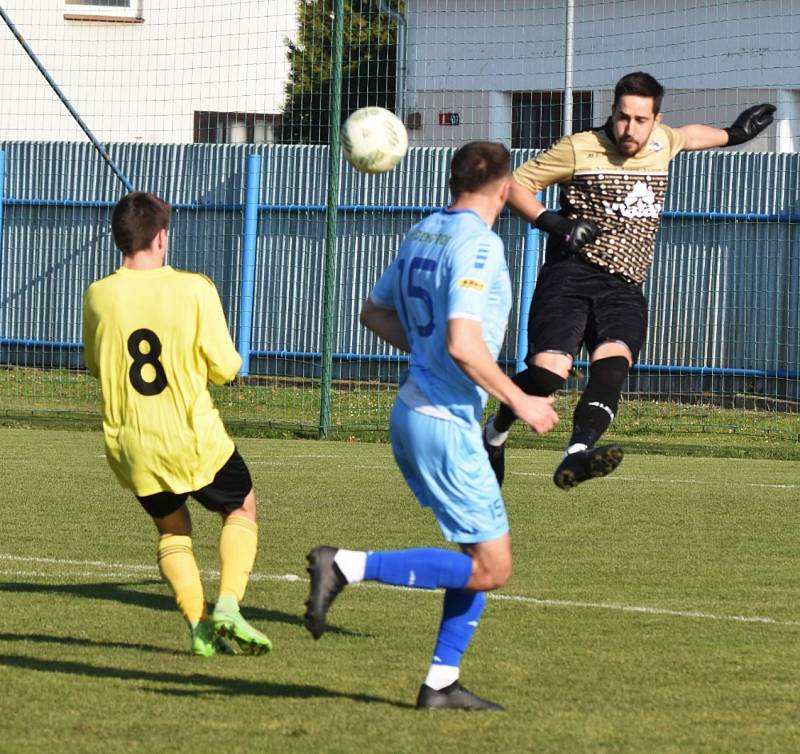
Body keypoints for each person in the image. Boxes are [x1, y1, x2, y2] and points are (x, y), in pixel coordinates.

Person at [302, 142, 559, 711]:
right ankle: (345, 564)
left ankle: (441, 682)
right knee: (493, 567)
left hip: (419, 411)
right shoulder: (479, 245)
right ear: (504, 187)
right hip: (442, 421)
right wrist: (522, 400)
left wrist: (429, 354)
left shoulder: (425, 231)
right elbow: (464, 344)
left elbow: (373, 312)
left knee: (476, 559)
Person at [483, 71, 776, 490]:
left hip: (624, 286)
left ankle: (577, 455)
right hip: (570, 276)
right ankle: (494, 433)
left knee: (613, 367)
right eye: (622, 117)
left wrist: (733, 133)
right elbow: (513, 186)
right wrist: (555, 222)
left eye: (640, 120)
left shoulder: (663, 141)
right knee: (548, 376)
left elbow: (689, 136)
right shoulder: (579, 147)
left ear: (656, 119)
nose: (629, 128)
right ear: (613, 112)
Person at [82, 191, 272, 657]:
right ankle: (228, 604)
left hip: (133, 445)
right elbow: (227, 368)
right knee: (241, 507)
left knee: (173, 529)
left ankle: (197, 622)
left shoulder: (98, 295)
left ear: (117, 239)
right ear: (162, 236)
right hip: (192, 437)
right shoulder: (194, 288)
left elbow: (95, 363)